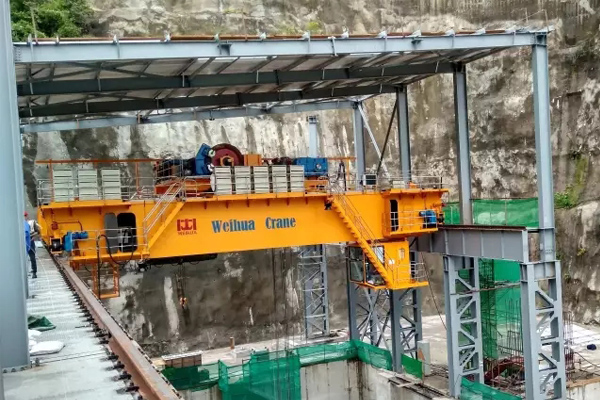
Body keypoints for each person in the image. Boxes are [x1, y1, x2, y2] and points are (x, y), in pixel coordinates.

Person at [24, 211, 38, 278]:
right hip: (23, 242)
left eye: (25, 215)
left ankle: (34, 272)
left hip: (30, 241)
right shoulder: (19, 223)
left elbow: (37, 231)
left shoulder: (31, 222)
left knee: (32, 257)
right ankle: (25, 272)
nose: (25, 217)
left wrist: (33, 237)